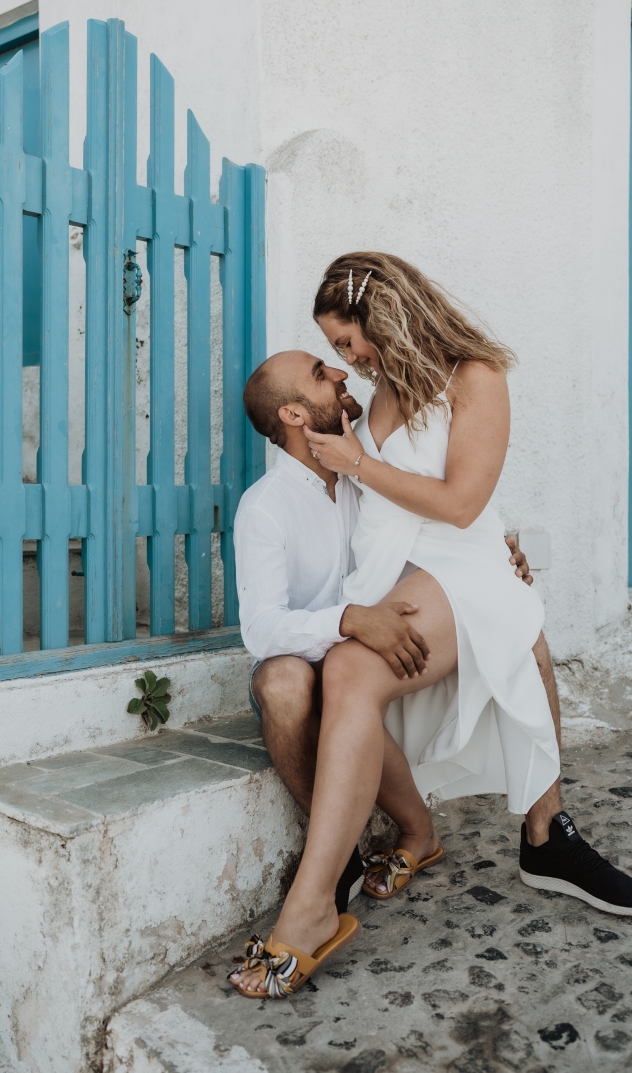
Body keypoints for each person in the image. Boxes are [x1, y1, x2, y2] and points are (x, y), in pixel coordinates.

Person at [229, 252, 632, 1000]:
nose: (347, 362)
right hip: (397, 578)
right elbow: (374, 509)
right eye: (334, 356)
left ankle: (313, 906)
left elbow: (458, 505)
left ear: (379, 315)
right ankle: (411, 851)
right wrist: (354, 466)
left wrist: (360, 465)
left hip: (461, 565)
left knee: (355, 666)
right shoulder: (375, 397)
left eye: (347, 343)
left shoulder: (477, 376)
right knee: (351, 664)